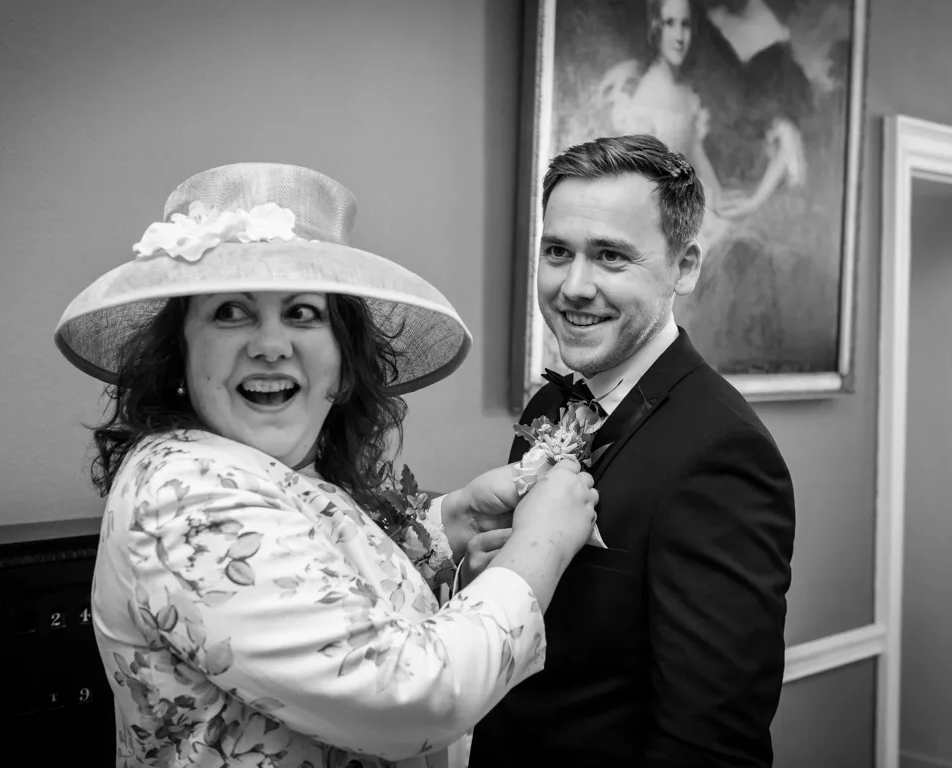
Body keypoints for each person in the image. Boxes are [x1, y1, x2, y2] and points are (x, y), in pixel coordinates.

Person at [53, 162, 599, 768]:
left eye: (302, 313)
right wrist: (541, 545)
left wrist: (449, 521)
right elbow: (410, 695)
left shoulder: (246, 464)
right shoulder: (189, 494)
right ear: (180, 354)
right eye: (230, 311)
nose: (269, 343)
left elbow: (308, 565)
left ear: (342, 362)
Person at [467, 135, 796, 767]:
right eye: (557, 252)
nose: (574, 286)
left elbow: (711, 742)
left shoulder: (723, 454)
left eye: (611, 257)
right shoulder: (549, 407)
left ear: (686, 267)